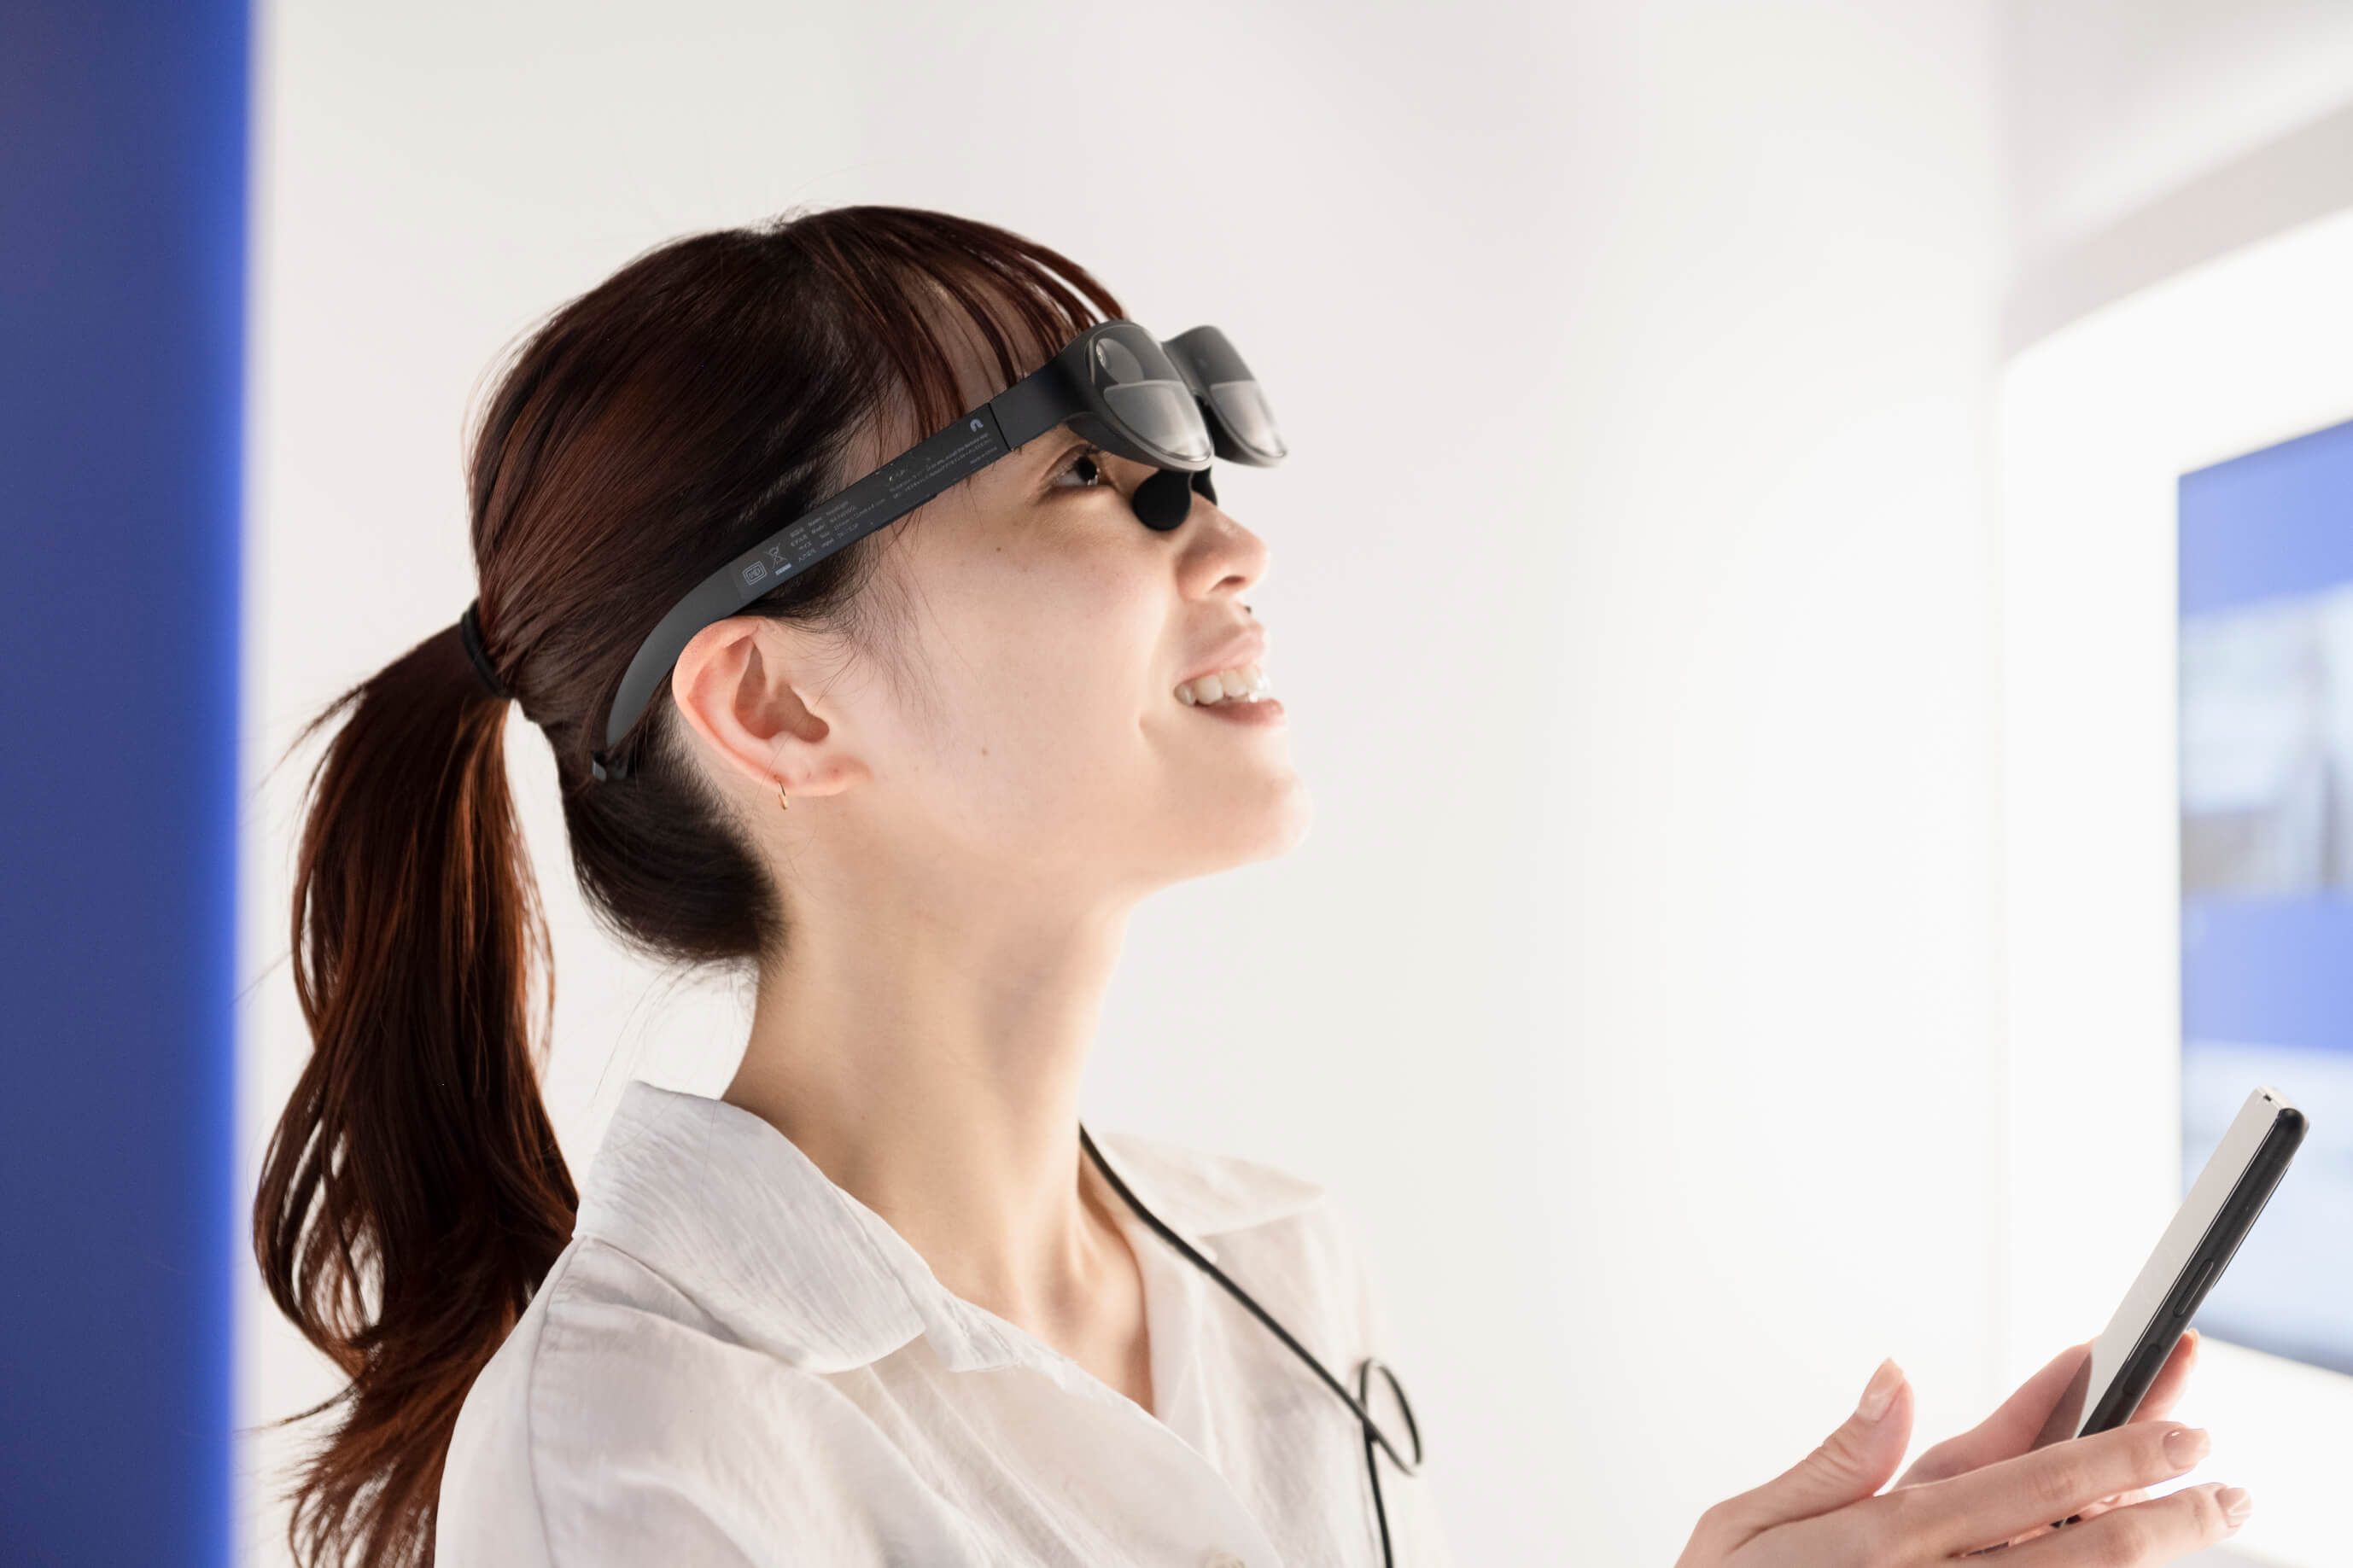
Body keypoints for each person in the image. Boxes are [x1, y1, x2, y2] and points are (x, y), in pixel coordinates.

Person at [253, 204, 2252, 1567]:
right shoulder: (638, 1446)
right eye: (1084, 474)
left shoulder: (1277, 1260)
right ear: (776, 703)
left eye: (1192, 466)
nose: (1226, 544)